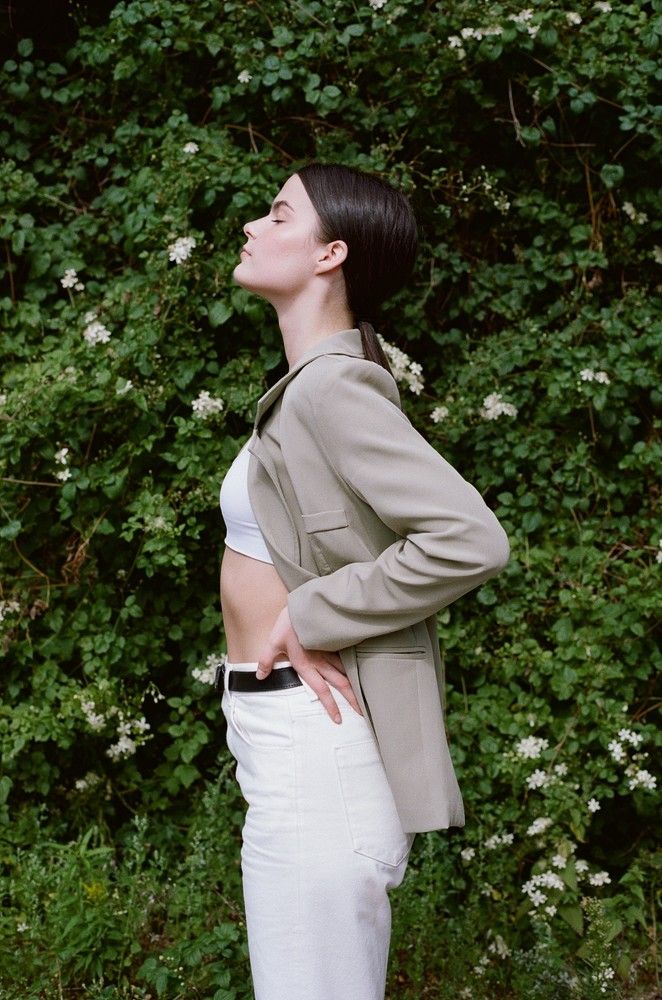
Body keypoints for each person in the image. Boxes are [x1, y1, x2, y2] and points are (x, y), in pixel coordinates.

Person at [217, 162, 510, 1000]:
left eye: (279, 215)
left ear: (330, 254)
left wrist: (313, 613)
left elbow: (469, 539)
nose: (254, 226)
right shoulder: (309, 386)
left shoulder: (335, 386)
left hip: (317, 747)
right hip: (281, 734)